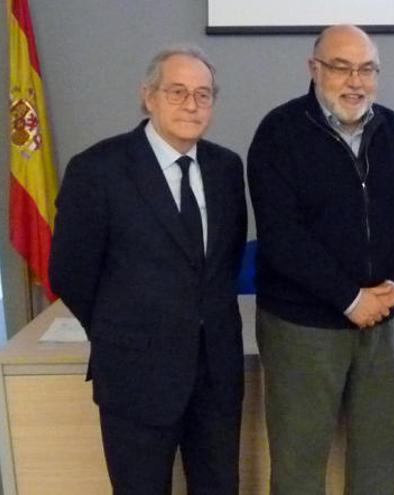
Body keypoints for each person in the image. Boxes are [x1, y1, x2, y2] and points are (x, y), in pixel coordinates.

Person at [49, 45, 247, 494]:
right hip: (135, 374)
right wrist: (124, 331)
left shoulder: (226, 168)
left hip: (216, 373)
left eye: (203, 94)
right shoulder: (98, 169)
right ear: (148, 97)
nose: (191, 105)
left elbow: (223, 263)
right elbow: (70, 273)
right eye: (177, 92)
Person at [247, 24, 394, 494]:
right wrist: (349, 298)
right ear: (314, 69)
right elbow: (281, 235)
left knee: (381, 458)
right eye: (341, 67)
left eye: (367, 69)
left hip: (382, 325)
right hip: (303, 329)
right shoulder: (279, 133)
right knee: (299, 465)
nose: (356, 81)